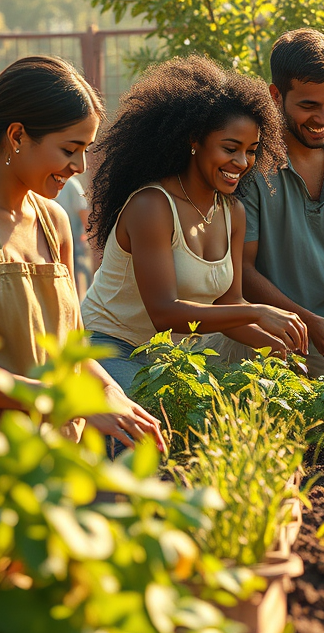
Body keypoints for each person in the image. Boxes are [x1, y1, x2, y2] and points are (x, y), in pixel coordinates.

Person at [0, 55, 163, 451]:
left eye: (86, 150)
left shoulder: (54, 220)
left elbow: (71, 347)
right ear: (17, 136)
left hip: (58, 459)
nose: (80, 166)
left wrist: (109, 390)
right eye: (69, 149)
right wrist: (60, 401)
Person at [82, 55, 307, 393]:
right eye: (230, 148)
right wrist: (258, 312)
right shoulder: (152, 206)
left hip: (172, 355)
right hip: (112, 347)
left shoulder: (232, 212)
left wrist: (275, 347)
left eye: (251, 150)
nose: (242, 162)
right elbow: (165, 314)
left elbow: (228, 305)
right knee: (147, 435)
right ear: (193, 140)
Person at [238, 29, 324, 375]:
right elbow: (241, 270)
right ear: (275, 95)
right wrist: (306, 321)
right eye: (308, 106)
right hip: (262, 346)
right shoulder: (249, 164)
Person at [55, 173, 91, 297]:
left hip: (73, 238)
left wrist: (87, 234)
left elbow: (83, 210)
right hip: (53, 239)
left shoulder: (71, 184)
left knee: (74, 273)